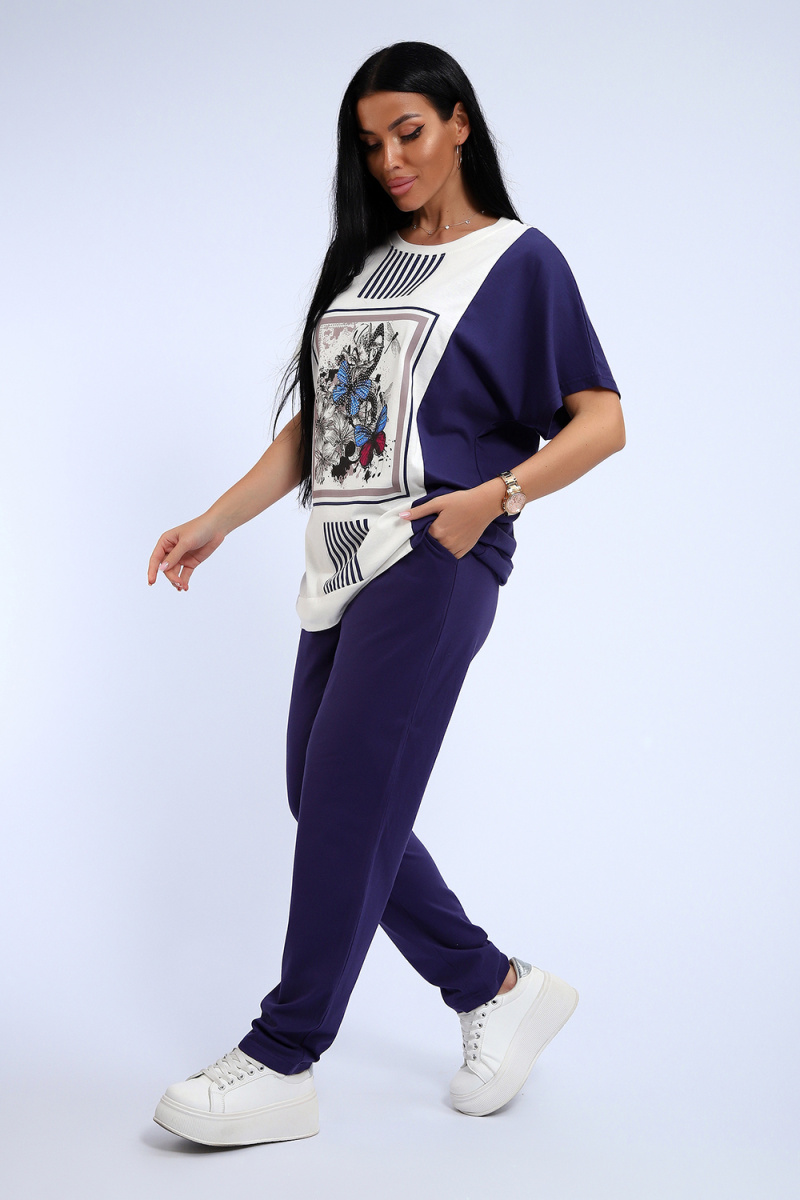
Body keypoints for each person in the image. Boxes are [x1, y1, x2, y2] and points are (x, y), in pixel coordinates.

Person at [147, 40, 625, 1148]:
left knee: (347, 796)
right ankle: (492, 987)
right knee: (323, 794)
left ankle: (283, 1055)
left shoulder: (518, 261)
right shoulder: (367, 264)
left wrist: (495, 497)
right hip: (339, 560)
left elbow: (602, 418)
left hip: (437, 555)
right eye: (370, 145)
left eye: (408, 132)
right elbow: (323, 424)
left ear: (459, 122)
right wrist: (217, 518)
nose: (391, 160)